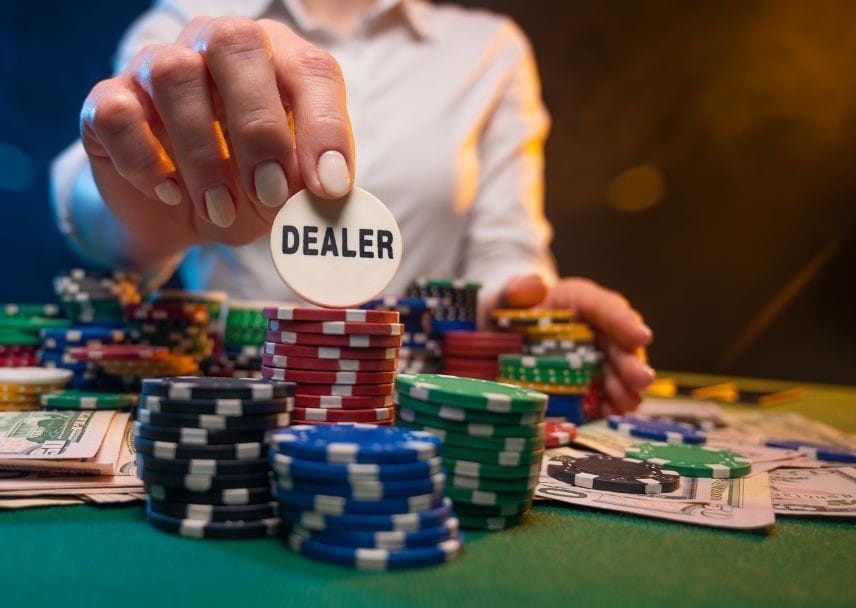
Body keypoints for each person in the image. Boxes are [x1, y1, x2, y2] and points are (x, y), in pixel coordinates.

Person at [51, 0, 655, 410]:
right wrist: (140, 214)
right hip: (233, 401)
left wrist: (527, 314)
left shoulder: (490, 47)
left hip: (407, 415)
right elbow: (93, 192)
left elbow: (505, 252)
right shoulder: (187, 18)